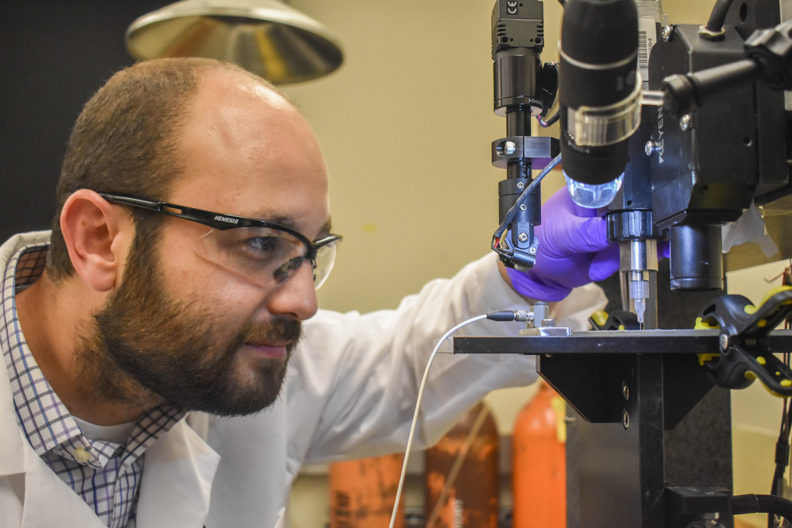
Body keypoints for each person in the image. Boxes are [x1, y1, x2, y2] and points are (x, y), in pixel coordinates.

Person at [0, 57, 614, 528]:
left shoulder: (228, 364)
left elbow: (413, 364)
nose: (303, 303)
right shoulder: (208, 352)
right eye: (261, 245)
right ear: (100, 240)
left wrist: (531, 272)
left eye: (308, 252)